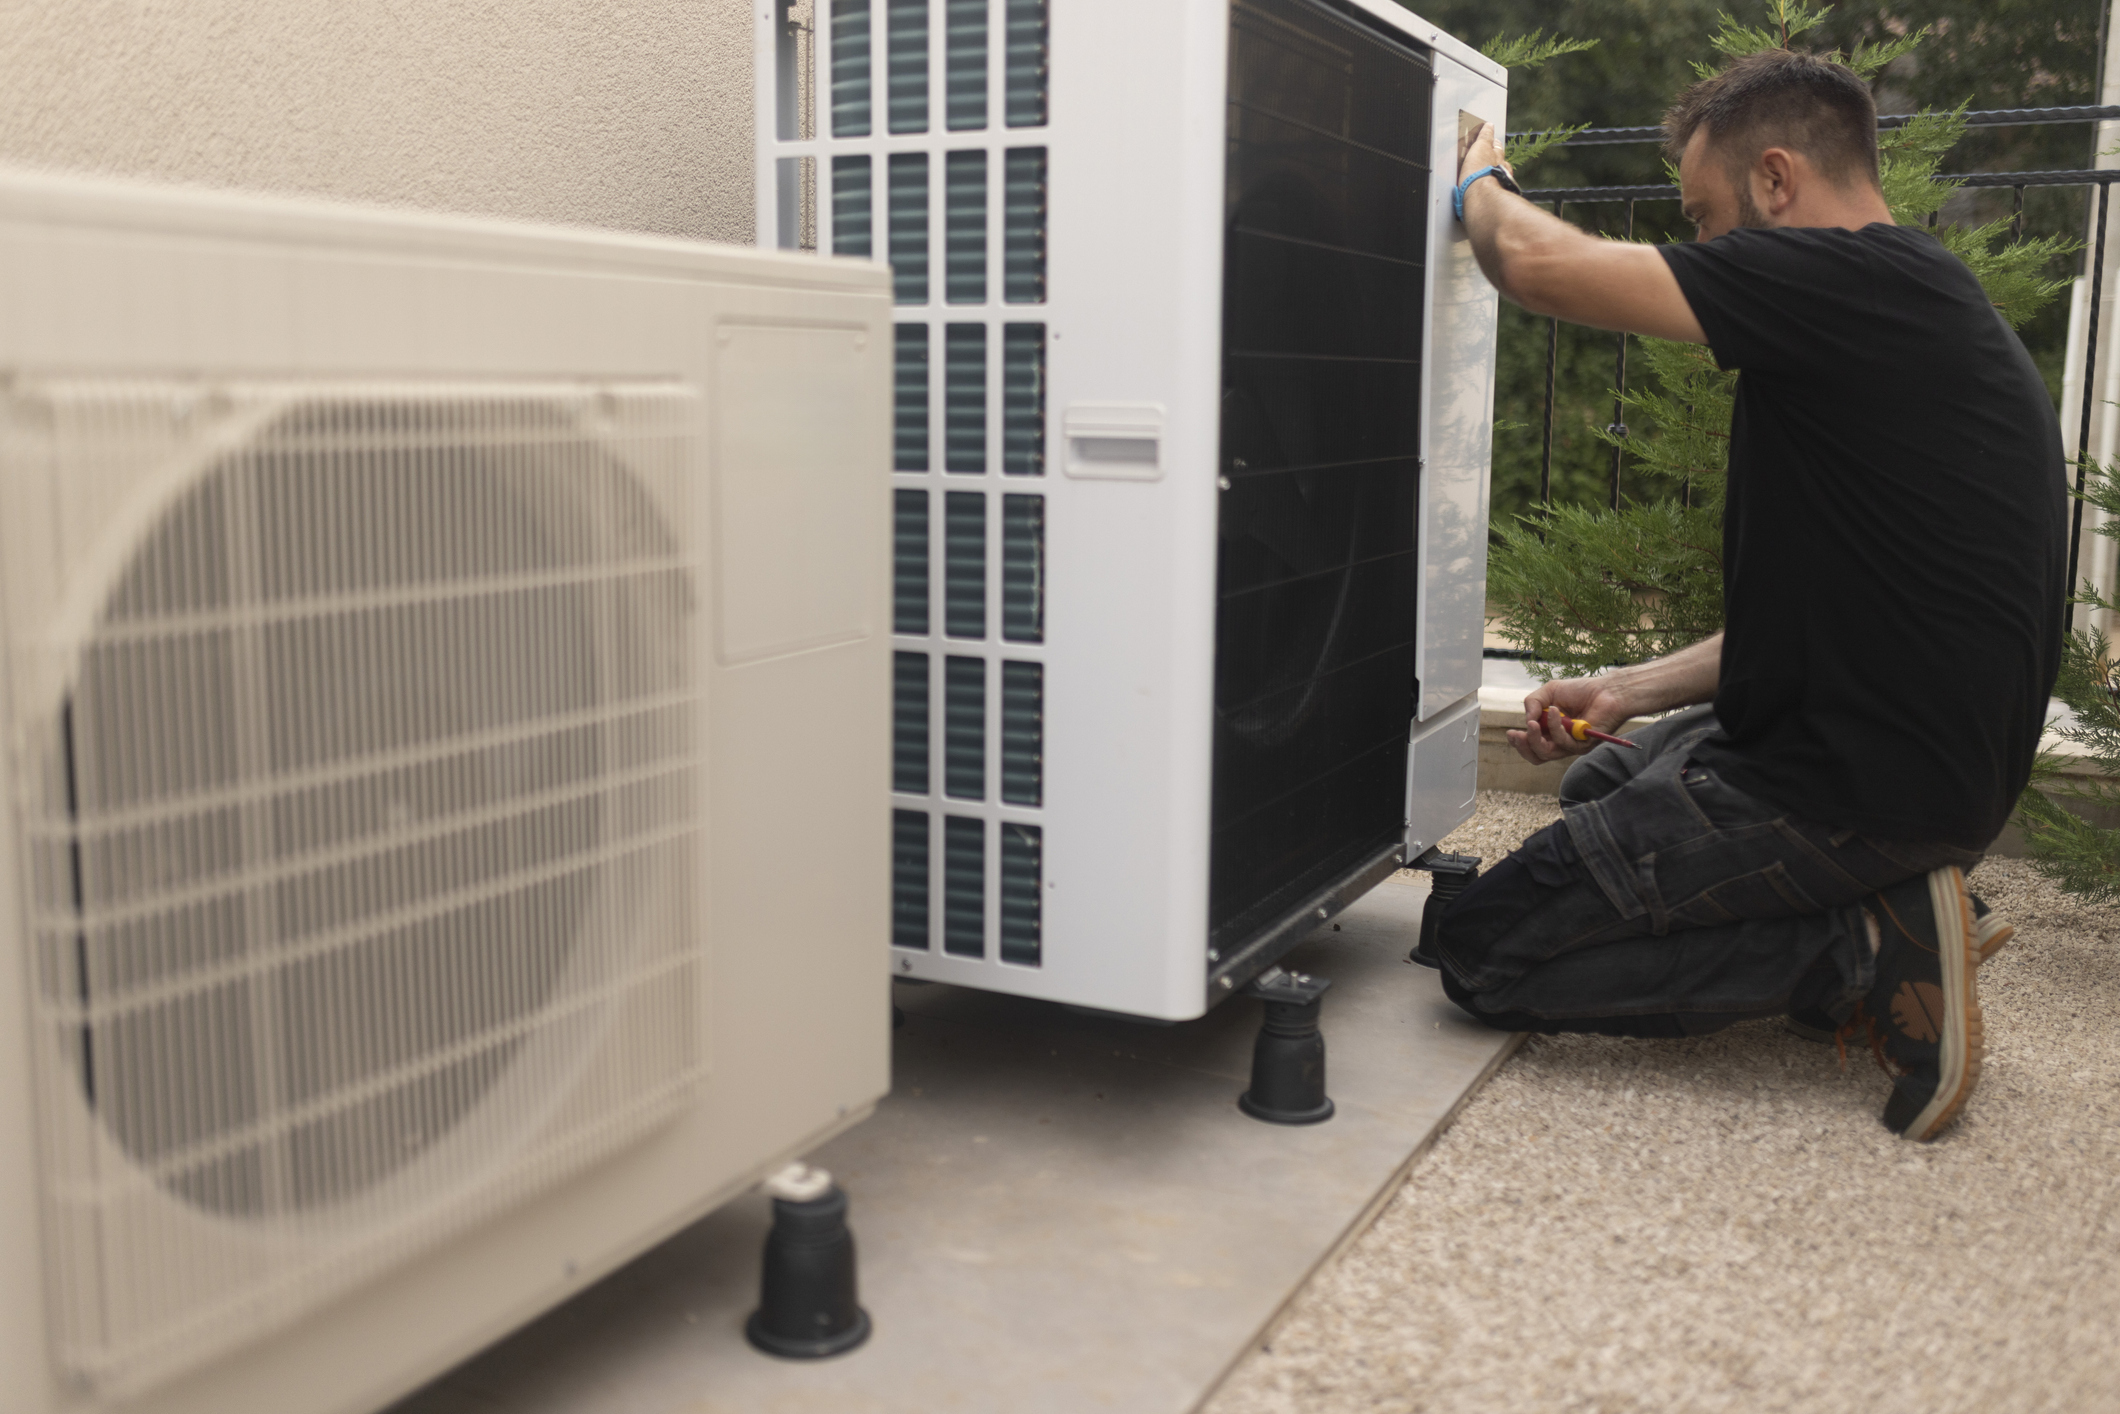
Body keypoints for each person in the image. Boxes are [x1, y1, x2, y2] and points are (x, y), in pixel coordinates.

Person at [1437, 47, 2067, 1141]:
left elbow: (1536, 268)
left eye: (1703, 215)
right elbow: (1837, 607)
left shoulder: (1849, 279)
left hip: (1852, 790)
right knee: (1600, 781)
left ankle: (1861, 947)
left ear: (1776, 181)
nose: (1697, 248)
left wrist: (1475, 176)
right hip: (1889, 758)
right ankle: (1893, 907)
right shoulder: (1896, 309)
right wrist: (1632, 684)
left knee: (1482, 948)